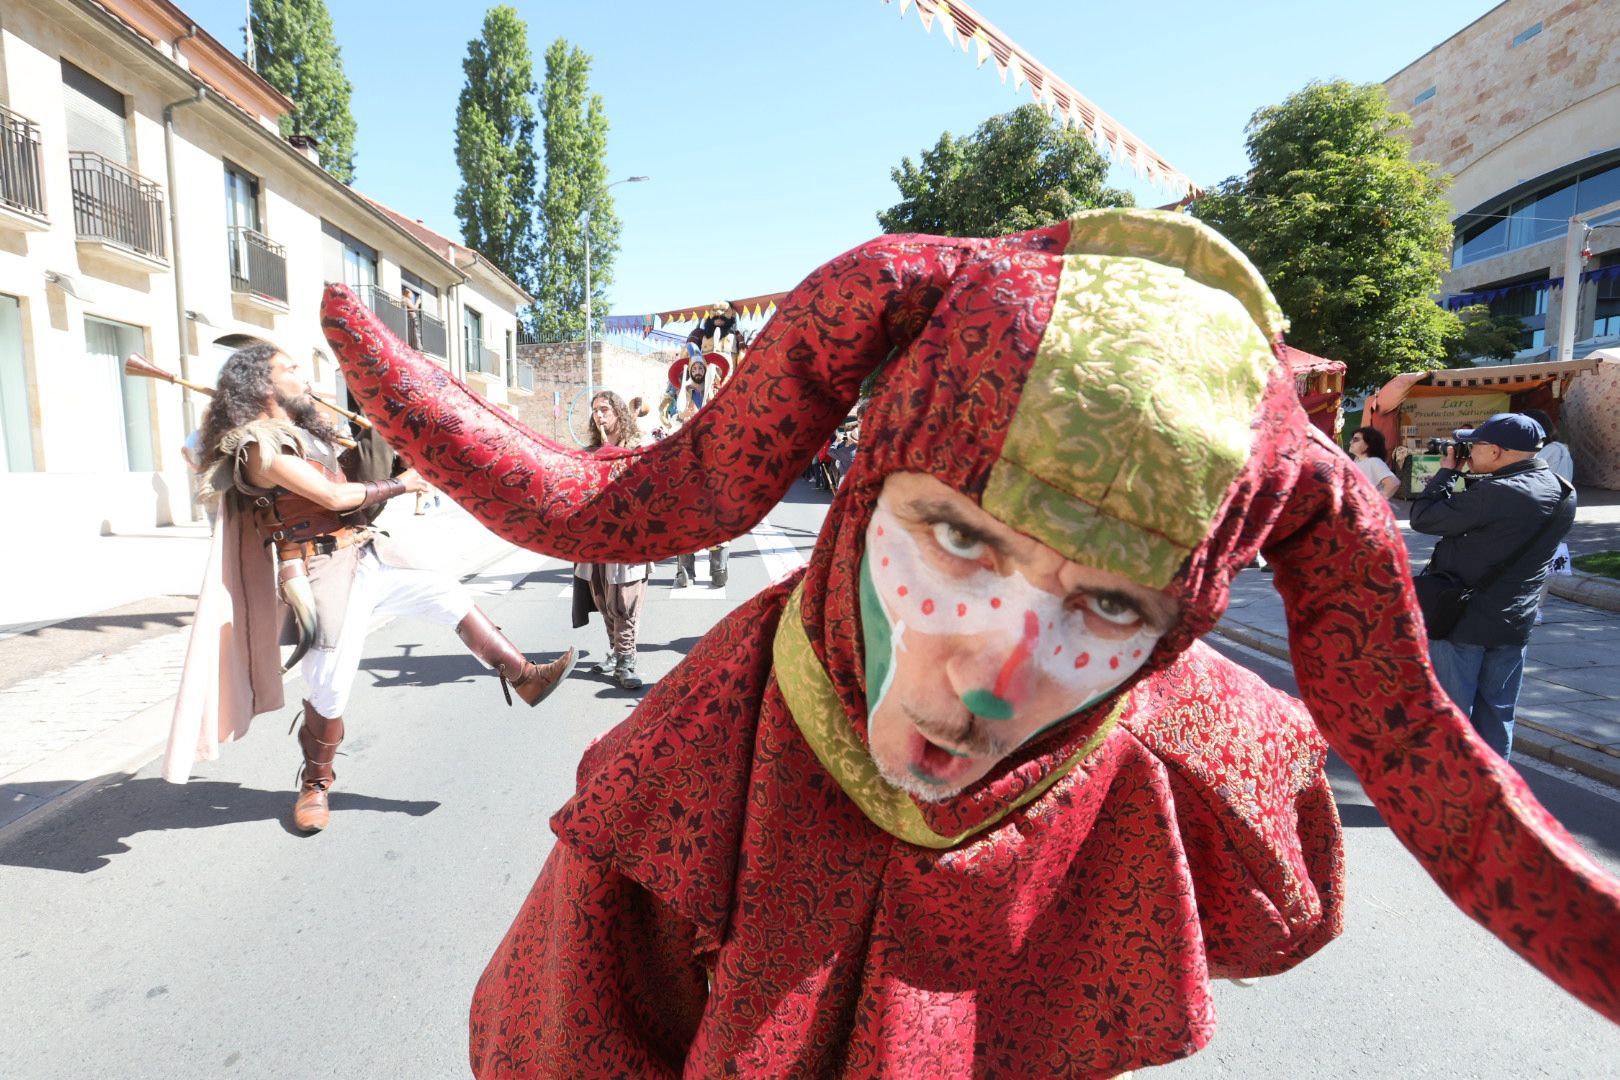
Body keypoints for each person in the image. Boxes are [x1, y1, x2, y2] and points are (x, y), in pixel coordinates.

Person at [323, 210, 1620, 1076]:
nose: (996, 675)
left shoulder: (1195, 756)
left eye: (1110, 606)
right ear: (866, 497)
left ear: (1177, 634)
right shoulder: (690, 770)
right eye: (957, 538)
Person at [162, 342, 576, 833]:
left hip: (367, 550)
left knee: (447, 595)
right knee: (330, 687)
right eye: (292, 368)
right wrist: (406, 485)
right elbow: (333, 496)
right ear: (263, 386)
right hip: (317, 570)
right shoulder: (257, 447)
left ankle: (525, 676)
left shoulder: (305, 433)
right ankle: (316, 783)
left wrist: (382, 441)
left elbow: (355, 474)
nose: (305, 375)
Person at [1409, 412, 1575, 759]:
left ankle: (1451, 795)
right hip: (1514, 622)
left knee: (1451, 715)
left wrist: (1447, 472)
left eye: (1475, 445)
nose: (1469, 451)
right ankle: (1495, 799)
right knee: (1498, 716)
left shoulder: (1495, 492)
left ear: (1496, 451)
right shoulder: (1563, 491)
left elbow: (1423, 517)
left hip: (1462, 620)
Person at [573, 391, 652, 690]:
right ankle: (617, 652)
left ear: (618, 413)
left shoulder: (636, 450)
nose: (599, 415)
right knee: (603, 600)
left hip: (628, 539)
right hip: (596, 538)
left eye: (604, 409)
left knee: (624, 603)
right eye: (595, 411)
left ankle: (626, 661)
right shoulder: (591, 451)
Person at [1347, 425, 1399, 500]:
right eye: (1352, 439)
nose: (1350, 442)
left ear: (1369, 444)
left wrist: (1375, 503)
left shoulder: (1374, 461)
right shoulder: (1357, 461)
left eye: (1356, 439)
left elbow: (1393, 483)